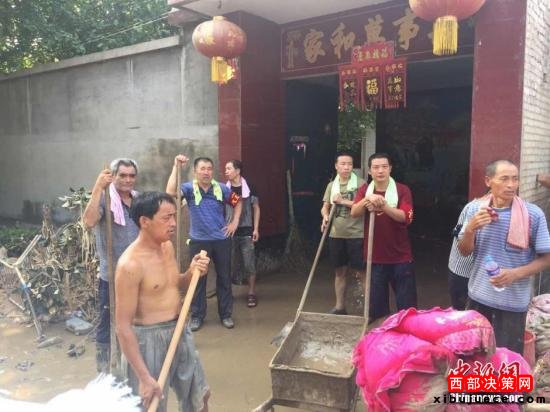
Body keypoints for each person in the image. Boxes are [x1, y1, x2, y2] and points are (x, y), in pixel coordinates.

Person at [115, 192, 210, 412]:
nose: (173, 223)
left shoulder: (166, 247)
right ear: (144, 221)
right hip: (148, 341)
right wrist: (143, 377)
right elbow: (122, 327)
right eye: (166, 218)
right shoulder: (130, 265)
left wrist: (192, 272)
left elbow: (174, 285)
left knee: (200, 397)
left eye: (174, 216)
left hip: (179, 329)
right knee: (151, 405)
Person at [458, 160, 550, 354]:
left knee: (506, 359)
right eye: (504, 179)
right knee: (476, 357)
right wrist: (470, 229)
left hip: (512, 305)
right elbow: (464, 251)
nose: (511, 185)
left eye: (515, 179)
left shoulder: (533, 214)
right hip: (478, 299)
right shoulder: (476, 210)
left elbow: (546, 258)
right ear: (488, 181)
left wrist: (515, 274)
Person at [166, 155, 242, 331]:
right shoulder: (189, 189)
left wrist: (234, 222)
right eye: (202, 169)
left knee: (224, 278)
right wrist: (176, 167)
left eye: (209, 169)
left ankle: (226, 315)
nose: (206, 172)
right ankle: (197, 316)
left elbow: (238, 202)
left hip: (221, 240)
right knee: (198, 279)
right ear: (195, 171)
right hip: (199, 241)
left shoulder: (221, 189)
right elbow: (169, 193)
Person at [82, 158, 140, 373]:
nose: (127, 180)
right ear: (113, 176)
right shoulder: (106, 199)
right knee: (107, 320)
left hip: (137, 273)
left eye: (131, 175)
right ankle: (104, 369)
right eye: (122, 175)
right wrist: (98, 187)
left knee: (135, 318)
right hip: (112, 273)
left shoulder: (138, 200)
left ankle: (132, 363)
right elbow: (88, 221)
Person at [350, 153, 416, 321]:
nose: (380, 171)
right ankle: (382, 334)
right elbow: (354, 212)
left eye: (384, 167)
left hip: (400, 257)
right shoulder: (365, 190)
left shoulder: (402, 190)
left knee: (407, 307)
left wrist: (384, 206)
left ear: (390, 169)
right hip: (374, 257)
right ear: (370, 171)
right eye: (376, 167)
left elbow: (405, 217)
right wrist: (367, 200)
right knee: (377, 309)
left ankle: (406, 334)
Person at [320, 152, 365, 315]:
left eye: (350, 164)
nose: (346, 167)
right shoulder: (332, 185)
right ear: (336, 166)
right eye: (343, 164)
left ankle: (369, 309)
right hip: (336, 234)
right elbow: (325, 206)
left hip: (357, 235)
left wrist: (342, 201)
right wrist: (325, 216)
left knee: (362, 272)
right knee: (339, 272)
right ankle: (340, 307)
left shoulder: (361, 184)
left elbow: (364, 205)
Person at [224, 160, 260, 308]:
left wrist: (256, 228)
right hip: (228, 231)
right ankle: (228, 293)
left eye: (229, 168)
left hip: (246, 230)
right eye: (225, 169)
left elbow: (256, 208)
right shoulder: (224, 188)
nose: (226, 171)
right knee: (228, 263)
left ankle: (251, 293)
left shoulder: (249, 187)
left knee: (249, 263)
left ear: (237, 171)